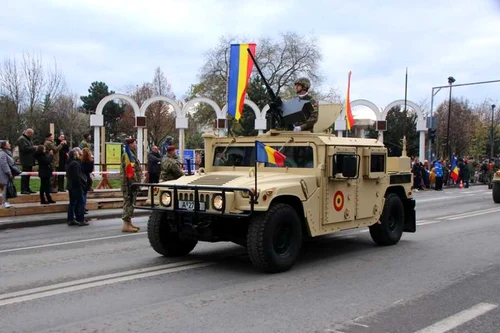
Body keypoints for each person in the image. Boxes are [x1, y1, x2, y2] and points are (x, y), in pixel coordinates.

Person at [121, 137, 142, 233]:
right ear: (130, 145)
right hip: (129, 184)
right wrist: (134, 183)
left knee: (131, 203)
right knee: (128, 202)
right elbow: (130, 171)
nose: (135, 145)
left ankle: (129, 223)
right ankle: (126, 224)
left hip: (133, 183)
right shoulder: (127, 155)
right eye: (134, 143)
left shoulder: (131, 154)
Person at [66, 149, 88, 226]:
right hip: (76, 186)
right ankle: (81, 219)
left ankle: (70, 219)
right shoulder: (75, 163)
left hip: (70, 185)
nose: (79, 154)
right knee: (80, 202)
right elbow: (77, 176)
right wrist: (80, 185)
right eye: (77, 154)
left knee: (72, 203)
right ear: (75, 155)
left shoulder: (69, 162)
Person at [16, 128, 38, 194]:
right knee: (25, 175)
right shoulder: (22, 139)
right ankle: (23, 189)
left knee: (28, 175)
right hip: (26, 160)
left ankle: (27, 188)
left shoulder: (27, 139)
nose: (32, 136)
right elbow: (24, 149)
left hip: (30, 159)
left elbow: (29, 147)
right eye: (31, 134)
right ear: (28, 133)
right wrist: (34, 148)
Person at [0, 141, 15, 208]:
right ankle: (4, 202)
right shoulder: (3, 153)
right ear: (4, 146)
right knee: (5, 188)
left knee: (5, 188)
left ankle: (5, 202)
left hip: (4, 173)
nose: (9, 144)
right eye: (8, 143)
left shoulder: (6, 152)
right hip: (4, 174)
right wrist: (9, 172)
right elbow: (4, 164)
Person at [80, 148, 94, 214]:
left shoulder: (80, 161)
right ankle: (84, 207)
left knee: (82, 194)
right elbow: (91, 170)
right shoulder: (91, 161)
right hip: (87, 178)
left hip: (81, 177)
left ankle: (81, 208)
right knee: (85, 194)